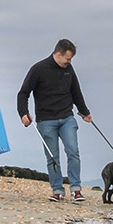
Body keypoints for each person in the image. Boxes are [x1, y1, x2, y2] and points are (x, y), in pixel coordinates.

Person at [17, 38, 92, 202]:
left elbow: (76, 92)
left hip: (67, 118)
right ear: (58, 54)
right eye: (68, 58)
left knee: (73, 151)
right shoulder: (38, 69)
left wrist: (84, 112)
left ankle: (76, 189)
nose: (69, 62)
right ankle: (57, 190)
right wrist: (23, 113)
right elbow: (23, 93)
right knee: (53, 157)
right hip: (46, 121)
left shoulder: (68, 69)